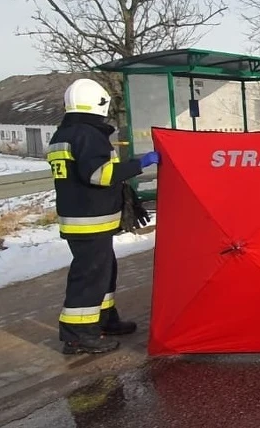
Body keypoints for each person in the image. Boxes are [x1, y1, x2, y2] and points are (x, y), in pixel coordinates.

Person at [47, 78, 159, 355]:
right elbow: (100, 175)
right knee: (90, 276)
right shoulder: (87, 135)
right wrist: (140, 164)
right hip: (89, 220)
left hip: (82, 219)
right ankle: (78, 334)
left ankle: (104, 320)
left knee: (103, 271)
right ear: (99, 104)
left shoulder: (65, 133)